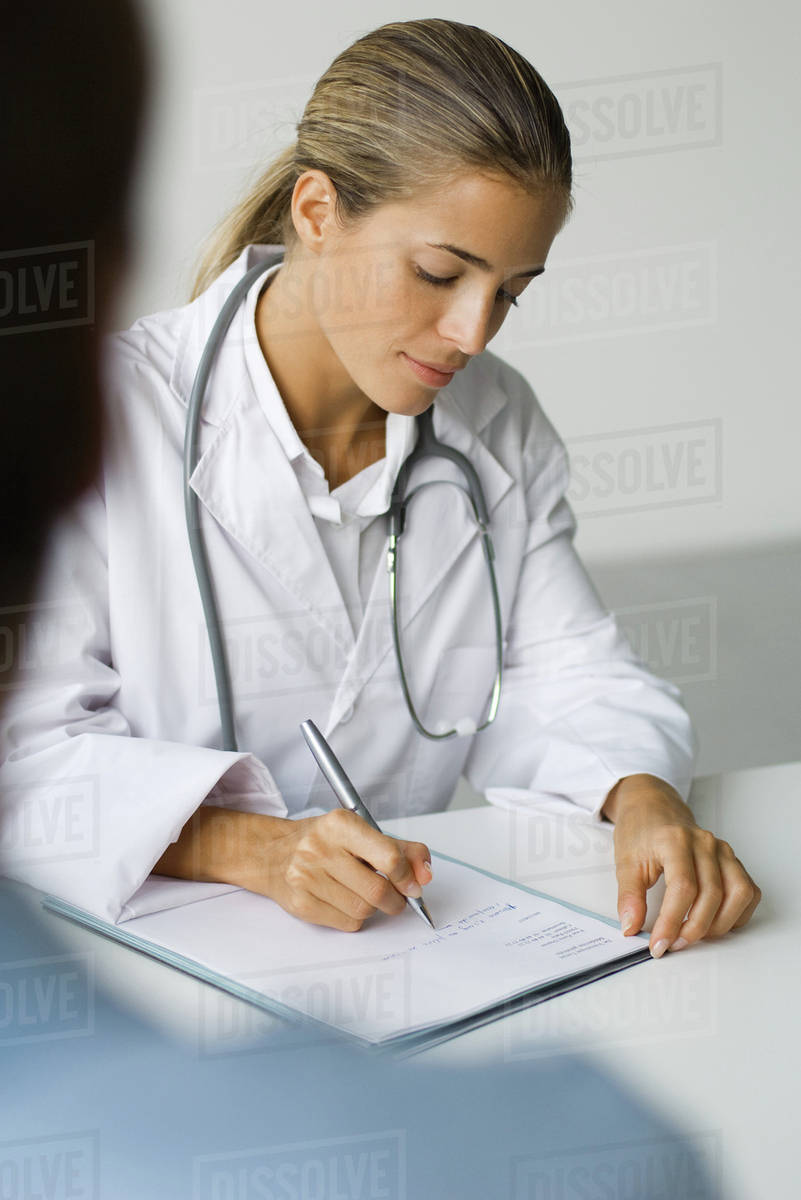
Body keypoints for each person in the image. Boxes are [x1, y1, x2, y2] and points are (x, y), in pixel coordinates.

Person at [0, 11, 726, 1196]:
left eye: (513, 291)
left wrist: (640, 798)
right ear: (317, 210)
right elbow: (23, 761)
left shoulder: (495, 424)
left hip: (434, 986)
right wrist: (247, 846)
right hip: (155, 1016)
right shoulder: (109, 412)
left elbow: (566, 668)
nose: (472, 332)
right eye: (442, 274)